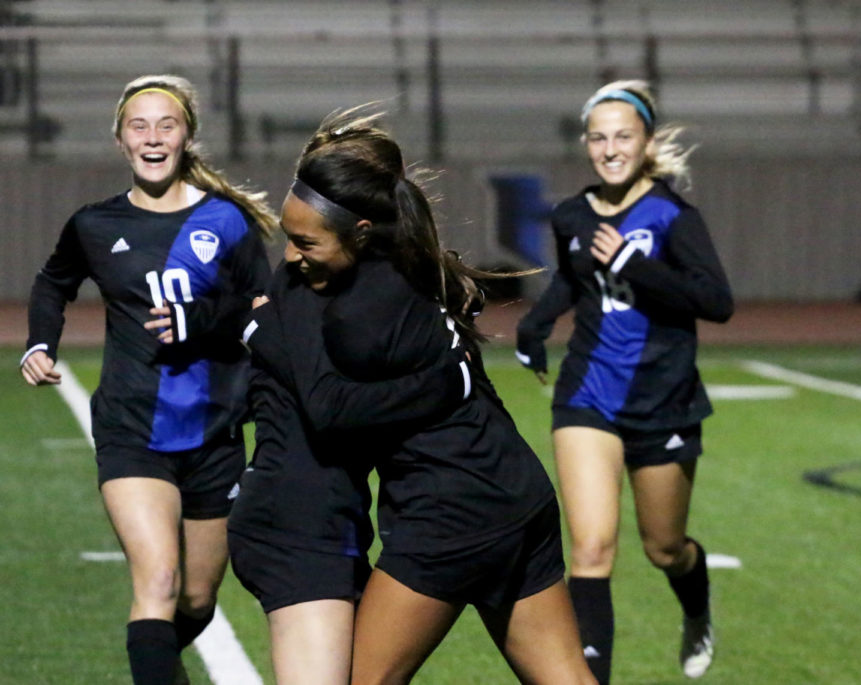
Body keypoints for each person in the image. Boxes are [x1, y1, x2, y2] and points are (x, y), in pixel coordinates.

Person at [257, 107, 596, 685]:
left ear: (360, 232)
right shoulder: (419, 261)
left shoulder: (351, 305)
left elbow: (329, 410)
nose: (289, 257)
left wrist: (261, 327)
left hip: (449, 513)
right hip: (517, 492)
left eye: (304, 242)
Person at [20, 74, 276, 685]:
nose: (153, 137)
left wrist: (202, 323)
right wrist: (38, 341)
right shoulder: (94, 225)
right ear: (120, 139)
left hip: (216, 431)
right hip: (131, 428)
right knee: (157, 582)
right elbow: (54, 282)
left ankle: (153, 657)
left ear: (187, 137)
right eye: (140, 126)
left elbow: (265, 314)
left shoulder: (229, 222)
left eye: (167, 125)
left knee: (196, 599)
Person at [516, 80, 734, 682]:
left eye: (623, 137)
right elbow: (574, 278)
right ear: (586, 143)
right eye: (599, 138)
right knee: (589, 552)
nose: (610, 149)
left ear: (647, 142)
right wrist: (535, 324)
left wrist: (636, 265)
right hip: (588, 395)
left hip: (664, 400)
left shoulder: (672, 216)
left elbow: (717, 302)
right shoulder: (573, 214)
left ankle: (696, 606)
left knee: (665, 548)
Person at [229, 250, 472, 683]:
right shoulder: (300, 294)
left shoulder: (358, 303)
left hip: (338, 524)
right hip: (293, 527)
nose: (291, 252)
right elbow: (334, 406)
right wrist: (450, 379)